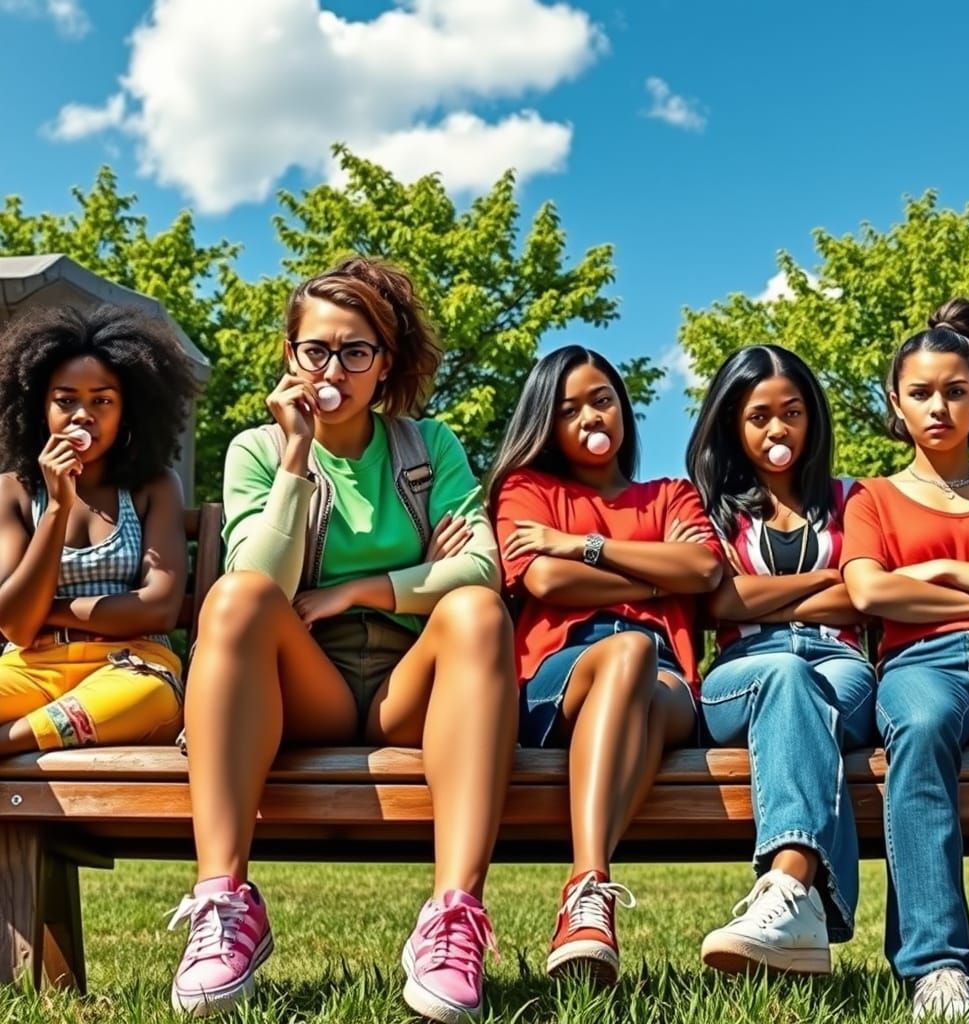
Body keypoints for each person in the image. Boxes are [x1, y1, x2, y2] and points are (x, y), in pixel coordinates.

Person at [168, 258, 518, 1022]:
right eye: (316, 350)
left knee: (479, 615)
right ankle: (224, 905)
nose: (335, 369)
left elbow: (482, 570)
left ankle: (452, 918)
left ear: (384, 363)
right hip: (305, 689)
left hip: (413, 693)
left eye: (356, 351)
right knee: (237, 599)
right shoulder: (258, 451)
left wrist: (355, 591)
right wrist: (296, 457)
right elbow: (258, 579)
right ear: (289, 357)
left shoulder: (430, 449)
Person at [489, 345, 722, 984]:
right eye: (569, 409)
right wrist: (652, 581)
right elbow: (544, 579)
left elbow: (702, 568)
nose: (592, 416)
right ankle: (591, 883)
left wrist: (582, 545)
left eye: (602, 399)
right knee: (628, 650)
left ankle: (585, 899)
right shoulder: (526, 489)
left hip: (667, 680)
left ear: (623, 407)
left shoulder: (670, 494)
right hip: (560, 677)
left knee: (640, 662)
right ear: (546, 423)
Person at [842, 298, 969, 1022]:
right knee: (918, 732)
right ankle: (939, 970)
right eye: (921, 393)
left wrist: (942, 568)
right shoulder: (873, 498)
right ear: (896, 402)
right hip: (921, 669)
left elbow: (901, 588)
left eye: (955, 390)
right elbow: (868, 591)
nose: (939, 406)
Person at [686, 344, 876, 976]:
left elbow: (865, 596)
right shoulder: (709, 504)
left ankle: (791, 896)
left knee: (804, 685)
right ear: (734, 426)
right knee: (787, 676)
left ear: (811, 418)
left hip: (840, 666)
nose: (777, 429)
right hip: (743, 675)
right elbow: (721, 598)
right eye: (759, 416)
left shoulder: (853, 499)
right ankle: (800, 894)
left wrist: (765, 597)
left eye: (791, 412)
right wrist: (821, 589)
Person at [0, 303, 194, 755]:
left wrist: (48, 608)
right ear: (38, 406)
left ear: (127, 411)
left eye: (101, 400)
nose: (82, 415)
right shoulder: (13, 491)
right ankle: (48, 727)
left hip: (131, 667)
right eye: (65, 400)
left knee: (150, 697)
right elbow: (16, 628)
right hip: (33, 668)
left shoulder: (155, 485)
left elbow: (158, 610)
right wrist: (56, 510)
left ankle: (10, 742)